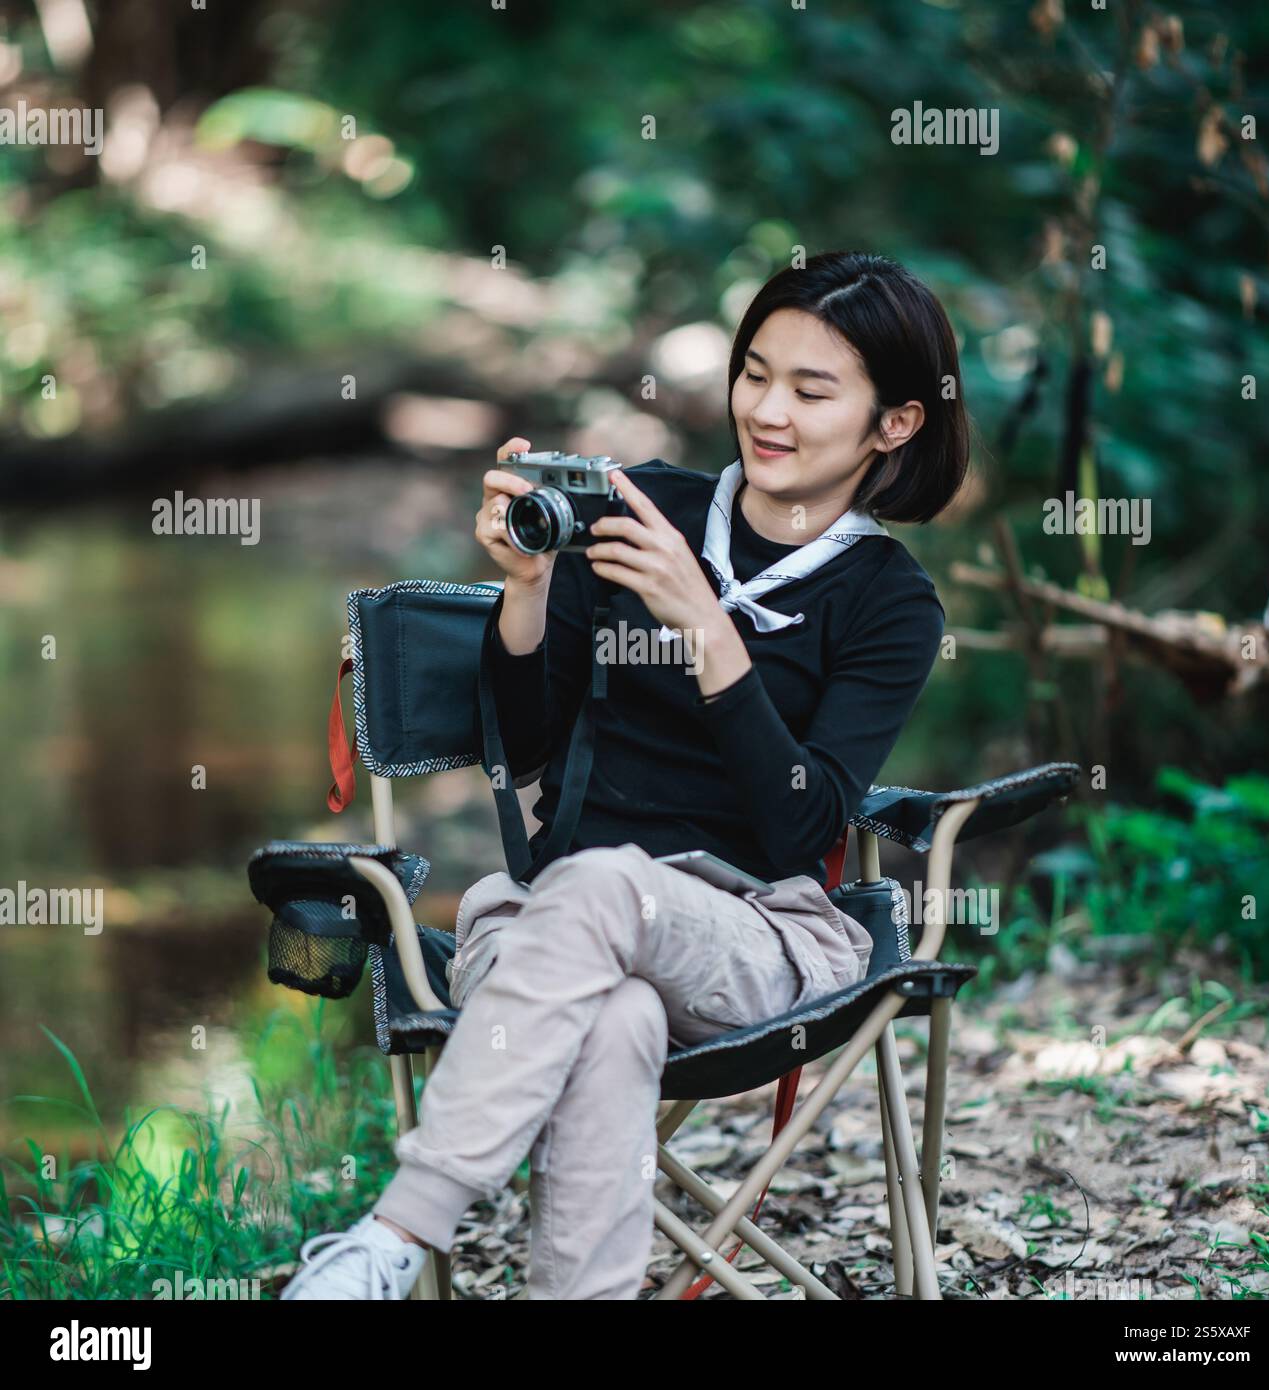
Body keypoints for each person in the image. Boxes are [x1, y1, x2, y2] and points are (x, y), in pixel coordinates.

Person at [281, 249, 969, 1300]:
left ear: (896, 423)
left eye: (810, 390)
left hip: (755, 939)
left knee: (608, 883)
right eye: (754, 374)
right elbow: (525, 738)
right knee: (617, 1021)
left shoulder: (889, 601)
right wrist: (527, 589)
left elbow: (802, 827)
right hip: (546, 934)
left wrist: (706, 630)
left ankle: (398, 1230)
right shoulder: (639, 507)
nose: (767, 410)